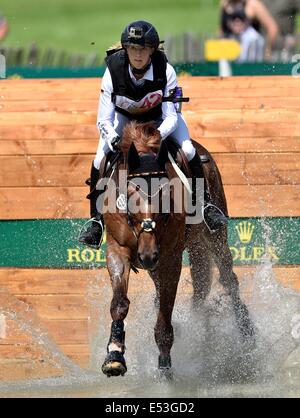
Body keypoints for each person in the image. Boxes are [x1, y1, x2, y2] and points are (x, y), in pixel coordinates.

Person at [79, 20, 228, 248]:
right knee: (99, 158)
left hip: (160, 120)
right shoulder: (111, 73)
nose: (138, 54)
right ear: (125, 49)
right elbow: (104, 120)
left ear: (152, 50)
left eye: (143, 49)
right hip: (124, 120)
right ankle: (95, 221)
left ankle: (205, 205)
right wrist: (114, 139)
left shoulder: (165, 70)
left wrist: (156, 135)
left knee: (188, 150)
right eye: (133, 48)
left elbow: (172, 116)